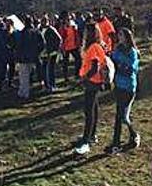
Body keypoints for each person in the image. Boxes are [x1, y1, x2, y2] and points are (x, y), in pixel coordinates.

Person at [107, 28, 140, 155]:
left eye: (121, 34)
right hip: (118, 86)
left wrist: (120, 65)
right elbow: (113, 64)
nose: (119, 36)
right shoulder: (117, 49)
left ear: (127, 36)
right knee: (120, 116)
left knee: (122, 116)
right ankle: (132, 136)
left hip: (128, 88)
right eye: (118, 34)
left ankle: (117, 143)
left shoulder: (132, 52)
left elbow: (131, 69)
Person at [76, 24, 107, 155]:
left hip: (92, 82)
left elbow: (94, 67)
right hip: (93, 81)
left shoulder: (94, 47)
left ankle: (86, 140)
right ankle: (92, 135)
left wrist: (85, 78)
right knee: (93, 107)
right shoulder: (94, 46)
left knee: (89, 111)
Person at [16, 17, 45, 101]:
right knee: (32, 74)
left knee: (23, 76)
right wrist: (38, 52)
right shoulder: (37, 32)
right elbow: (43, 44)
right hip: (34, 57)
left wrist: (18, 56)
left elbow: (19, 46)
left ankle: (24, 93)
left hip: (24, 57)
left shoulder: (22, 33)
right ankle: (25, 92)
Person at [41, 18, 62, 93]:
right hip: (44, 53)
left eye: (45, 21)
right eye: (42, 21)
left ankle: (52, 86)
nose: (43, 23)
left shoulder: (51, 29)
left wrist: (54, 49)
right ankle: (46, 85)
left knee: (50, 70)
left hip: (52, 53)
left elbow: (59, 39)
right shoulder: (41, 29)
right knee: (44, 69)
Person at [59, 16, 82, 82]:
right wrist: (62, 48)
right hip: (66, 48)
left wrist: (79, 44)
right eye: (67, 20)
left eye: (69, 20)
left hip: (74, 46)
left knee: (79, 59)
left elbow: (77, 36)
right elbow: (61, 38)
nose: (68, 21)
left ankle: (77, 74)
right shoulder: (62, 28)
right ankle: (66, 77)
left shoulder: (73, 27)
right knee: (65, 63)